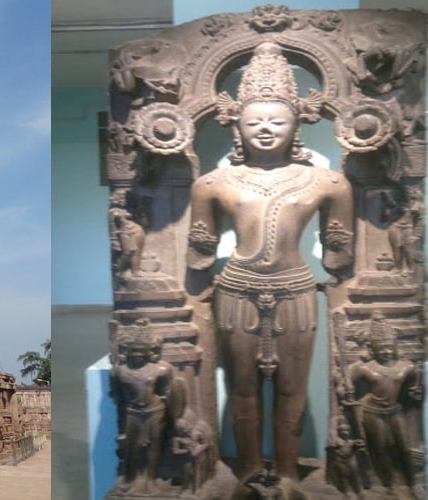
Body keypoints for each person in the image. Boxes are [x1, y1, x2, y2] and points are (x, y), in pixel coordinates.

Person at [187, 42, 354, 486]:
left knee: (292, 389)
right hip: (237, 291)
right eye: (253, 121)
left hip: (297, 290)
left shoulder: (328, 182)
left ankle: (285, 471)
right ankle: (247, 470)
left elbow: (341, 256)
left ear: (297, 122)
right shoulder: (212, 184)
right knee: (241, 388)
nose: (265, 129)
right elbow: (197, 254)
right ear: (236, 126)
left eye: (277, 120)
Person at [347, 313, 425, 498]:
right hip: (372, 412)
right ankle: (390, 485)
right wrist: (346, 390)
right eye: (381, 348)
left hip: (396, 411)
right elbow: (346, 382)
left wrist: (416, 392)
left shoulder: (407, 367)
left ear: (395, 347)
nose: (386, 352)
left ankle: (412, 483)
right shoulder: (364, 368)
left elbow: (415, 386)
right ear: (372, 348)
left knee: (404, 448)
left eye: (390, 348)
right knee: (380, 449)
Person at [110, 319, 176, 494]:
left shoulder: (162, 369)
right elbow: (118, 398)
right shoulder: (119, 371)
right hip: (133, 412)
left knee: (154, 447)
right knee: (133, 447)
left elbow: (169, 393)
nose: (136, 355)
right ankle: (131, 477)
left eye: (140, 351)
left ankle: (150, 478)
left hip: (156, 411)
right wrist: (121, 425)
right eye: (133, 351)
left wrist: (173, 419)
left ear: (150, 351)